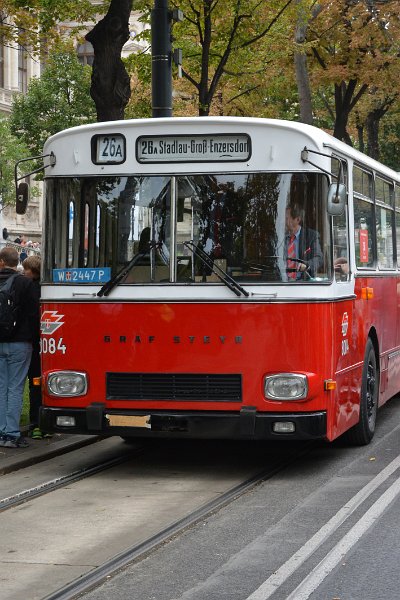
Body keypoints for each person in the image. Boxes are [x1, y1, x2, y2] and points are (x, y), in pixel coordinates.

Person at [0, 247, 39, 448]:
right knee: (15, 388)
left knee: (1, 387)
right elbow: (34, 314)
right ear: (17, 262)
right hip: (21, 343)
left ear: (1, 261)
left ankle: (1, 431)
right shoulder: (25, 283)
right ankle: (11, 433)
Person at [22, 255, 45, 439]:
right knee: (38, 382)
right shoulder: (43, 288)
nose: (24, 272)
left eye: (26, 269)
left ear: (34, 271)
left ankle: (35, 423)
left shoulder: (30, 289)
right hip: (43, 342)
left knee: (35, 382)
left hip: (34, 342)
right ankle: (41, 424)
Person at [285, 204, 323, 279]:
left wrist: (307, 265)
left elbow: (319, 259)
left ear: (297, 219)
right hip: (281, 283)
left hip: (303, 283)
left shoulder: (311, 236)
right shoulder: (280, 237)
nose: (284, 221)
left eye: (287, 218)